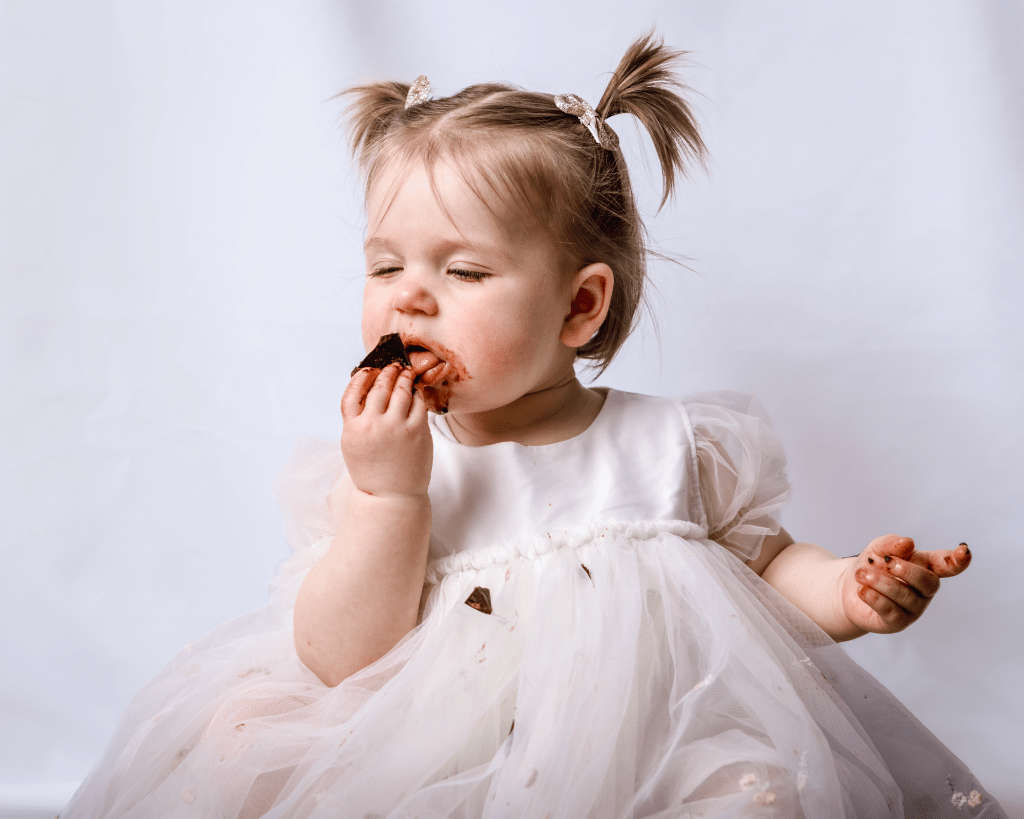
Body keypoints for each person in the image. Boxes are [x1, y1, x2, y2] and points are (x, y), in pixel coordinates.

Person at [63, 33, 1007, 819]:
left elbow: (765, 582)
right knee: (241, 737)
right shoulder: (387, 471)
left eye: (464, 272)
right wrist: (390, 493)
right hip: (441, 762)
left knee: (751, 794)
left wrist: (850, 589)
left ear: (579, 308)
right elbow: (340, 659)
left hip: (651, 751)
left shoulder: (675, 447)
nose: (411, 301)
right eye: (385, 266)